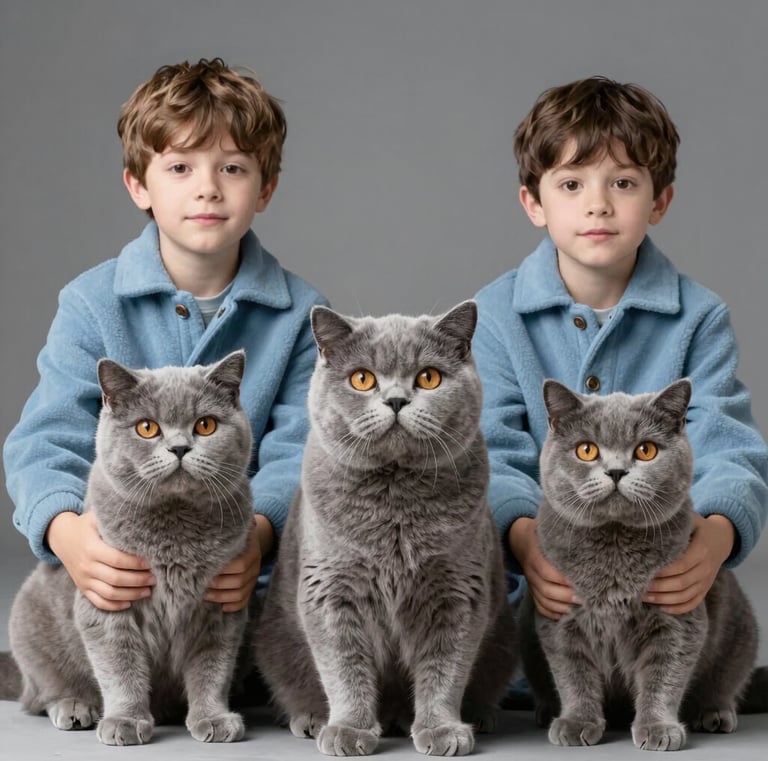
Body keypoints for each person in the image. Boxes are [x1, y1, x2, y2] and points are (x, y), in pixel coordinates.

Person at [3, 58, 328, 614]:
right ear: (138, 185)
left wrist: (259, 535)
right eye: (180, 168)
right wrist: (67, 534)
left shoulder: (300, 313)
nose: (207, 190)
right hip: (121, 579)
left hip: (236, 586)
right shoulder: (92, 301)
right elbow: (44, 441)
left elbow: (300, 451)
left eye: (232, 169)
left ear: (266, 188)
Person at [473, 76, 768, 622]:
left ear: (660, 201)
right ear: (533, 203)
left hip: (658, 593)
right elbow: (490, 451)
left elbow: (728, 447)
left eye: (624, 184)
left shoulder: (699, 317)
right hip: (537, 605)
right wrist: (525, 542)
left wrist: (717, 540)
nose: (598, 206)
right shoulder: (495, 315)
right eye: (571, 185)